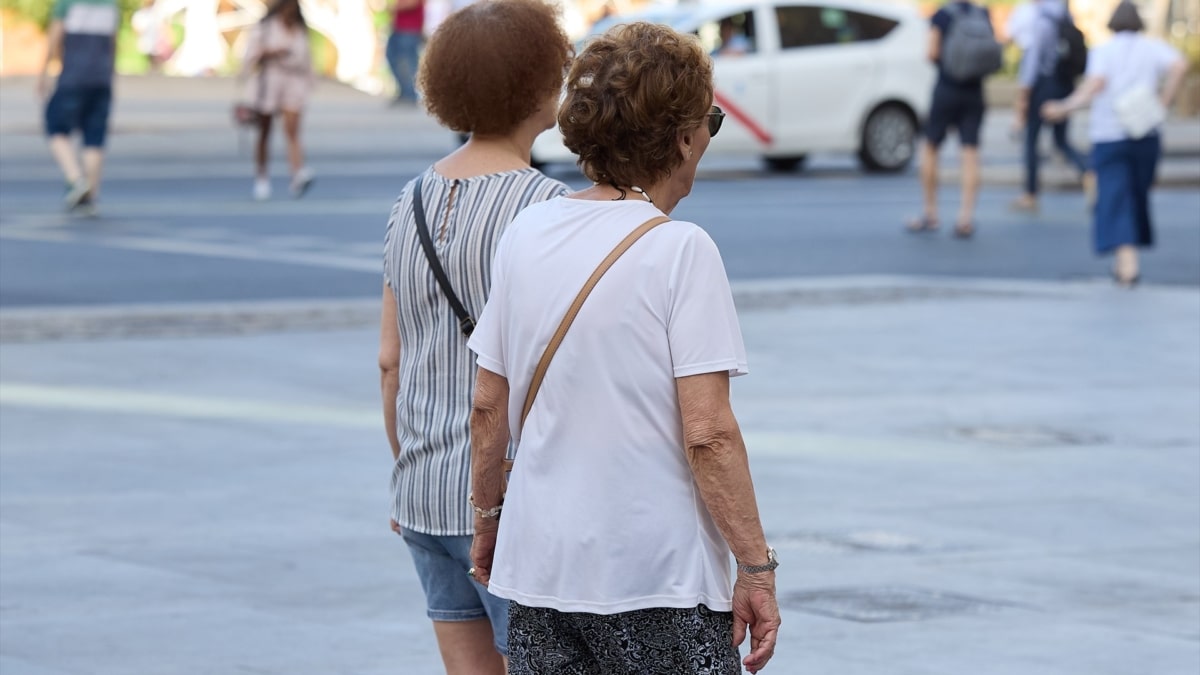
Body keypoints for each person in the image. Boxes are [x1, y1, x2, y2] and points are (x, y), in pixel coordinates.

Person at [466, 22, 781, 675]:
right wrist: (755, 564)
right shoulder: (681, 249)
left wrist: (489, 515)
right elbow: (709, 434)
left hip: (540, 572)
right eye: (710, 124)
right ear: (684, 136)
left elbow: (486, 404)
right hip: (656, 578)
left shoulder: (529, 231)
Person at [377, 1, 572, 672]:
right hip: (506, 502)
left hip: (423, 493)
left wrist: (409, 466)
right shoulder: (548, 209)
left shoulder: (410, 199)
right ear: (540, 87)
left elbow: (388, 361)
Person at [1041, 1, 1187, 287]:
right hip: (1146, 132)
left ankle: (1128, 264)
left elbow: (1094, 86)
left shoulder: (1104, 51)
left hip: (1110, 134)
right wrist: (1163, 101)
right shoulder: (1151, 47)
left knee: (1115, 197)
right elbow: (1180, 66)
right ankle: (1125, 263)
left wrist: (1064, 107)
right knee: (1135, 195)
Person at [907, 0, 994, 238]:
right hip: (974, 91)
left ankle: (930, 213)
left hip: (947, 88)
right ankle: (965, 217)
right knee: (970, 153)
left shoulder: (943, 15)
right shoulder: (982, 14)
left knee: (931, 147)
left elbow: (932, 52)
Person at [38, 0, 119, 216]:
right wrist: (111, 74)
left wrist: (44, 72)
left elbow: (55, 36)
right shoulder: (110, 4)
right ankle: (90, 198)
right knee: (94, 136)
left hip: (73, 77)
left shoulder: (68, 3)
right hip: (101, 79)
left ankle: (76, 179)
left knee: (55, 126)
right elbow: (113, 42)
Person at [1011, 0, 1090, 212]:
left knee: (1031, 140)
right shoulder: (1065, 16)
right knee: (1061, 141)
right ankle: (1089, 169)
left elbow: (1032, 61)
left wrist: (1024, 94)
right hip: (1065, 86)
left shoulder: (1042, 21)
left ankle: (1030, 194)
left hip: (1044, 87)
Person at [241, 0, 315, 201]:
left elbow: (307, 60)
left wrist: (309, 85)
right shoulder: (265, 27)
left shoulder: (300, 29)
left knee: (292, 129)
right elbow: (249, 57)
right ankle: (262, 178)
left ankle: (298, 172)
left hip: (293, 83)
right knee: (264, 131)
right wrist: (270, 53)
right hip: (269, 82)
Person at [386, 0, 424, 105]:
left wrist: (393, 7)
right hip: (399, 27)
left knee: (407, 62)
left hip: (409, 28)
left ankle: (410, 94)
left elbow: (412, 3)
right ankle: (404, 91)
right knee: (393, 57)